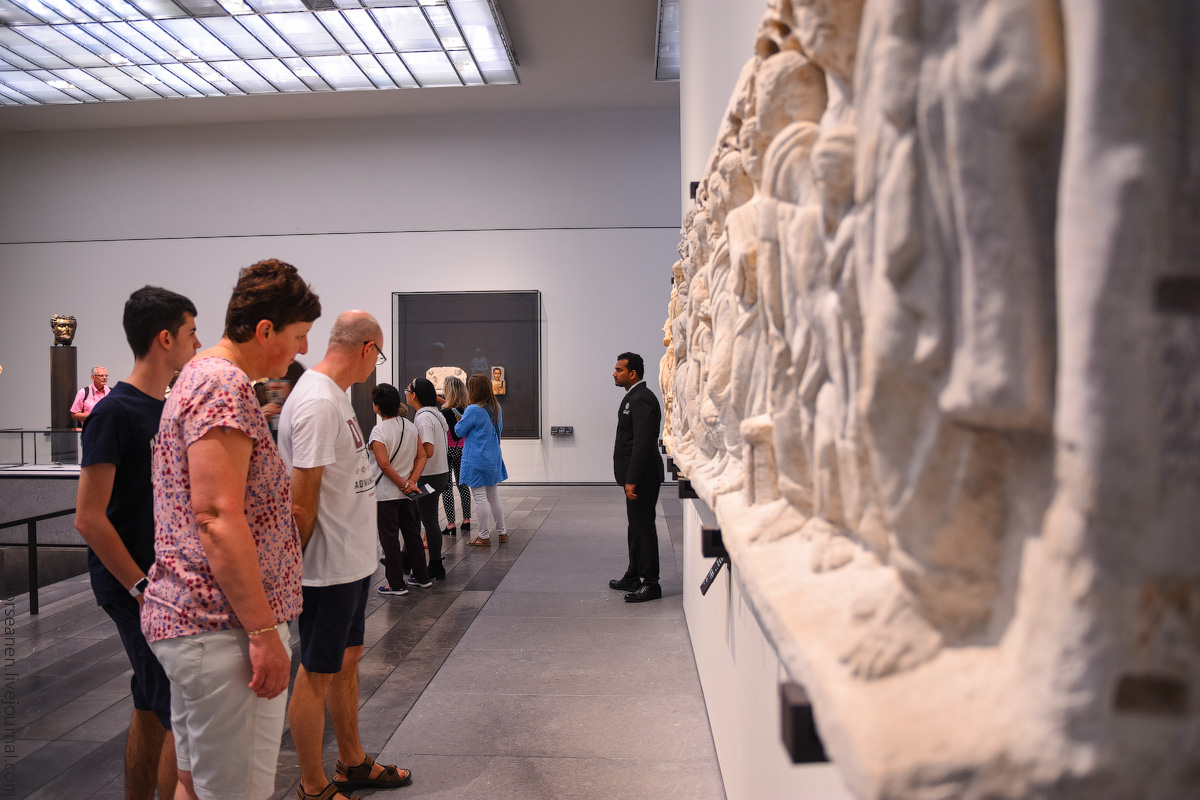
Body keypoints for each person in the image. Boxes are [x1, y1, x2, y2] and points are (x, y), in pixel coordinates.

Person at [141, 259, 320, 800]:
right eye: (298, 336)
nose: (302, 351)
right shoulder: (222, 384)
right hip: (224, 629)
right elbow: (217, 517)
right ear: (265, 330)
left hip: (205, 624)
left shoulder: (202, 377)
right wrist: (264, 634)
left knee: (194, 784)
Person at [278, 310, 412, 800]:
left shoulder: (334, 397)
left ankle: (352, 762)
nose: (376, 364)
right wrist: (295, 571)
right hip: (326, 571)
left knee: (347, 660)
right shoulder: (316, 401)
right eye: (378, 354)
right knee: (316, 674)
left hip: (351, 565)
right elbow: (301, 499)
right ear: (367, 349)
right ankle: (312, 785)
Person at [75, 286, 200, 800]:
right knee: (177, 707)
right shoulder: (114, 413)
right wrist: (142, 585)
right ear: (165, 338)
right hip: (134, 585)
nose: (199, 342)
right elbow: (88, 517)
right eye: (192, 332)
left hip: (163, 581)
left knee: (151, 705)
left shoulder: (168, 410)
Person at [609, 352, 666, 603]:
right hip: (636, 476)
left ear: (632, 373)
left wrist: (632, 479)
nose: (614, 373)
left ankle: (651, 583)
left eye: (619, 370)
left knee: (643, 528)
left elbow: (642, 443)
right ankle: (633, 575)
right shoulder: (635, 396)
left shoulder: (643, 398)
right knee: (636, 527)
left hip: (642, 477)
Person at [369, 383, 426, 595]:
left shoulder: (378, 431)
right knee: (412, 534)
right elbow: (422, 455)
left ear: (376, 407)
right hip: (408, 493)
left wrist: (402, 484)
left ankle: (396, 584)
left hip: (385, 494)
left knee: (389, 539)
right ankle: (422, 576)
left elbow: (383, 465)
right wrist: (411, 481)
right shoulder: (409, 426)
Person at [404, 377, 450, 580]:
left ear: (414, 394)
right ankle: (405, 560)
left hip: (428, 475)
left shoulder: (422, 417)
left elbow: (428, 450)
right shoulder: (435, 413)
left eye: (407, 389)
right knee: (413, 516)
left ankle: (436, 565)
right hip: (440, 472)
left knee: (428, 520)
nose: (405, 393)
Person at [458, 374, 508, 547]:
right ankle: (502, 533)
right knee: (493, 495)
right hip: (493, 456)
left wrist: (461, 420)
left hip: (477, 459)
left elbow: (459, 431)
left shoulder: (472, 410)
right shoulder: (496, 407)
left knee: (479, 497)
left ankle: (483, 536)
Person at [439, 375, 471, 539]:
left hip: (448, 450)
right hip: (463, 449)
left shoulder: (444, 412)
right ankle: (467, 520)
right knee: (462, 484)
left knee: (446, 486)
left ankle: (451, 523)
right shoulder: (468, 410)